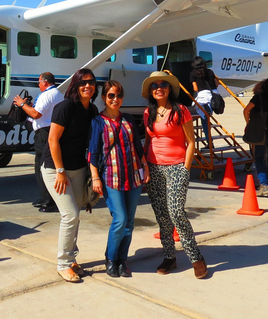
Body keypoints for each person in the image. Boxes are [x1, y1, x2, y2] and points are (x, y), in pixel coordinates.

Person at [142, 70, 207, 279]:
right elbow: (148, 141)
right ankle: (169, 256)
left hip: (177, 166)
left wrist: (186, 168)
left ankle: (195, 257)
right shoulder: (147, 113)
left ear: (170, 88)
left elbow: (191, 142)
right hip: (154, 167)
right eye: (154, 85)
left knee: (176, 212)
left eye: (163, 84)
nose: (158, 88)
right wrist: (145, 167)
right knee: (162, 216)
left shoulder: (181, 110)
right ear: (150, 91)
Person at [41, 68, 99, 283]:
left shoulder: (92, 110)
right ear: (75, 85)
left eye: (91, 82)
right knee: (70, 215)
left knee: (76, 214)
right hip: (55, 169)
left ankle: (71, 258)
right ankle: (63, 263)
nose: (87, 86)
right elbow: (52, 140)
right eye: (83, 82)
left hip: (78, 169)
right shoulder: (65, 107)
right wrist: (60, 171)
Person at [88, 80, 149, 278]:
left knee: (129, 222)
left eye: (118, 95)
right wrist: (95, 177)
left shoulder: (129, 119)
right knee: (120, 219)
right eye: (111, 95)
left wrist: (145, 167)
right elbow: (94, 153)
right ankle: (111, 258)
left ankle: (123, 260)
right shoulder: (98, 122)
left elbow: (138, 147)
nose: (115, 99)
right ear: (104, 98)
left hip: (132, 177)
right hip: (111, 178)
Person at [13, 72, 64, 212]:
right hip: (50, 132)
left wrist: (22, 104)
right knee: (46, 166)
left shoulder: (47, 95)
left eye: (39, 82)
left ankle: (48, 201)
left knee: (42, 167)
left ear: (45, 82)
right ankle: (47, 198)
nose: (38, 85)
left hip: (44, 134)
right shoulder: (58, 94)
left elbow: (36, 114)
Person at [189, 56, 219, 148]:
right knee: (205, 120)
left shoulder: (193, 73)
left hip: (203, 96)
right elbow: (216, 84)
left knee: (204, 120)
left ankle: (210, 143)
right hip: (214, 95)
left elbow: (195, 88)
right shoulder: (210, 72)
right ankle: (208, 110)